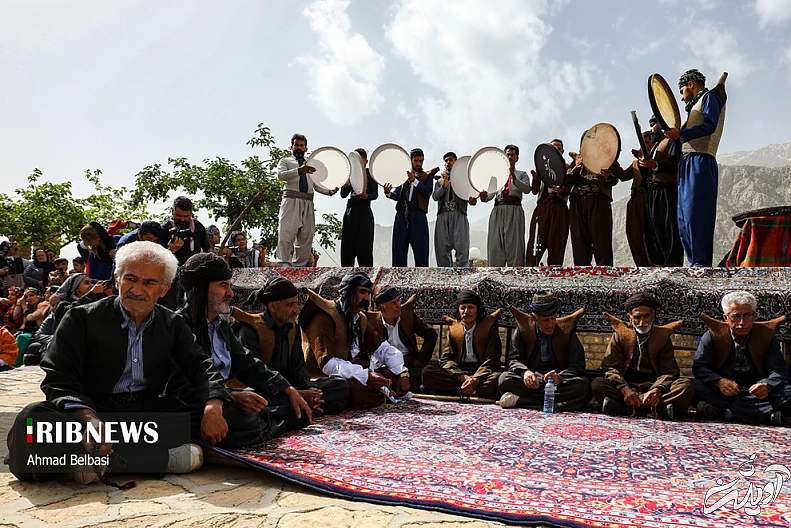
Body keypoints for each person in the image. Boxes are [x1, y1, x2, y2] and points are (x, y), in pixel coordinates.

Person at [5, 241, 233, 483]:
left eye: (149, 283)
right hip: (90, 411)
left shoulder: (172, 324)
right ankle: (158, 460)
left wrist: (213, 405)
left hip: (145, 417)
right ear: (117, 279)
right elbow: (59, 377)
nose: (137, 289)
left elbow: (200, 365)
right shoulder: (81, 318)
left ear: (164, 289)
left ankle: (88, 463)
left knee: (235, 417)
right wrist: (89, 419)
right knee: (32, 421)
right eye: (130, 279)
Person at [175, 253, 313, 442]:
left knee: (298, 399)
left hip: (225, 398)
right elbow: (182, 387)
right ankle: (270, 424)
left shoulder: (221, 325)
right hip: (200, 403)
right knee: (243, 418)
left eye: (230, 286)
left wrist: (288, 389)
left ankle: (270, 421)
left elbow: (248, 363)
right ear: (197, 288)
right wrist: (232, 398)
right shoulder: (178, 326)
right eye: (223, 286)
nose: (230, 293)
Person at [235, 276, 349, 416]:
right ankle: (301, 406)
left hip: (291, 388)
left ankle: (303, 405)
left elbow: (298, 367)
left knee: (340, 385)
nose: (296, 310)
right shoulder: (251, 329)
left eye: (297, 304)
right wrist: (294, 393)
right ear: (273, 306)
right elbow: (253, 375)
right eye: (290, 305)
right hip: (265, 391)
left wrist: (310, 389)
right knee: (258, 401)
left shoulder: (292, 328)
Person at [300, 271, 409, 409]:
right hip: (326, 377)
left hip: (357, 372)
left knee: (390, 375)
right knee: (347, 388)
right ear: (349, 292)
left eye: (368, 293)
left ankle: (381, 393)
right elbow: (328, 364)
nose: (366, 298)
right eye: (362, 292)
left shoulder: (360, 318)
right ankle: (380, 394)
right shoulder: (324, 317)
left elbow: (382, 348)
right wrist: (366, 377)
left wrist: (402, 373)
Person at [693, 291, 791, 425]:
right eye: (735, 316)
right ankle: (762, 415)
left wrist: (767, 385)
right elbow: (700, 367)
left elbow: (779, 370)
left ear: (754, 316)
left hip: (756, 392)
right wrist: (719, 381)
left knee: (787, 391)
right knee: (695, 386)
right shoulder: (712, 336)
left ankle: (726, 413)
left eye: (747, 315)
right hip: (725, 392)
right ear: (726, 318)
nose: (742, 322)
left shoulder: (766, 337)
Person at [591, 293, 694, 420]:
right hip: (627, 386)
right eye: (637, 317)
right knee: (597, 384)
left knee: (685, 385)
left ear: (654, 316)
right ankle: (656, 408)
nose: (642, 322)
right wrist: (625, 389)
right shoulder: (620, 336)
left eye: (646, 316)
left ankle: (627, 408)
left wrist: (657, 390)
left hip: (653, 386)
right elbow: (610, 368)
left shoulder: (662, 337)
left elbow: (670, 372)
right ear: (629, 317)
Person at [664, 69, 726, 267]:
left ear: (690, 84)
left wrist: (681, 134)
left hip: (701, 161)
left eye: (682, 91)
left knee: (697, 215)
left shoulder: (710, 98)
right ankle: (694, 263)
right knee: (684, 218)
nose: (682, 97)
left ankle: (702, 264)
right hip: (686, 162)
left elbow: (710, 125)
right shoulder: (693, 107)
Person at [498, 292, 591, 411]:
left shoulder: (565, 332)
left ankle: (520, 401)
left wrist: (560, 377)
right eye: (546, 320)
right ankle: (555, 404)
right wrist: (525, 372)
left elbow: (577, 365)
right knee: (504, 379)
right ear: (534, 319)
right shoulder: (523, 331)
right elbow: (513, 360)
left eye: (553, 318)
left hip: (556, 383)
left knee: (584, 387)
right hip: (532, 382)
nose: (550, 324)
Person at [421, 290, 502, 399]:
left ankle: (459, 390)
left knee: (498, 379)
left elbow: (492, 359)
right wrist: (461, 376)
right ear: (459, 311)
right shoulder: (454, 330)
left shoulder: (489, 329)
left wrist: (476, 379)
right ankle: (469, 390)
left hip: (482, 374)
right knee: (428, 372)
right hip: (459, 372)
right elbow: (446, 359)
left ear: (478, 310)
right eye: (463, 308)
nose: (466, 311)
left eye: (470, 307)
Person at [276, 134, 338, 267]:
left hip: (308, 202)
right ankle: (284, 265)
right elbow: (281, 176)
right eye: (296, 145)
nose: (298, 148)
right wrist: (300, 170)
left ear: (305, 148)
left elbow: (315, 184)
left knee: (306, 236)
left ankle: (300, 266)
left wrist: (329, 191)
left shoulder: (311, 164)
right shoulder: (285, 161)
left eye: (301, 145)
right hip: (291, 200)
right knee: (286, 233)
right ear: (291, 147)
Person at [22, 274, 107, 366]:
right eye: (86, 283)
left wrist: (109, 294)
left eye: (91, 283)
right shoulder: (63, 305)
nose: (91, 285)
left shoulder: (95, 302)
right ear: (76, 288)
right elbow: (73, 311)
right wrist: (91, 293)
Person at [366, 285, 438, 391]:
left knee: (428, 373)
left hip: (410, 366)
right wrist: (384, 367)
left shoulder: (407, 316)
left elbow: (431, 334)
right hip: (387, 368)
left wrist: (420, 360)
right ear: (382, 308)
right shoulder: (372, 323)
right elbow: (370, 354)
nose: (398, 305)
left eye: (398, 301)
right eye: (393, 303)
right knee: (378, 377)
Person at [640, 121, 684, 267]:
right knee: (652, 231)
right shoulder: (655, 146)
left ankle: (672, 266)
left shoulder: (671, 142)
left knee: (668, 230)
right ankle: (656, 265)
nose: (651, 130)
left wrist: (656, 165)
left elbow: (677, 164)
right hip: (653, 192)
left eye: (654, 127)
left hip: (667, 190)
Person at [565, 148, 619, 266]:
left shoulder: (606, 159)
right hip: (577, 203)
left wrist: (608, 176)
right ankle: (582, 273)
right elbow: (566, 181)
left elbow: (615, 179)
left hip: (599, 202)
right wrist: (577, 167)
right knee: (579, 241)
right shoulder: (575, 162)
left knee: (601, 240)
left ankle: (605, 273)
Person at [480, 145, 530, 267]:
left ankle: (515, 275)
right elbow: (490, 195)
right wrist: (483, 196)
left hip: (514, 210)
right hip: (498, 210)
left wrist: (514, 178)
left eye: (512, 155)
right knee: (495, 245)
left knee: (515, 246)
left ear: (517, 158)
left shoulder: (522, 174)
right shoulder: (496, 176)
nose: (510, 157)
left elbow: (527, 189)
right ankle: (495, 275)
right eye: (507, 155)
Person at [385, 148, 436, 267]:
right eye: (416, 161)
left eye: (421, 161)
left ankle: (422, 278)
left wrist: (415, 181)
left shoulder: (427, 176)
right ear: (411, 160)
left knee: (421, 251)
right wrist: (388, 193)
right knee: (399, 250)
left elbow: (427, 192)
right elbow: (397, 194)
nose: (418, 163)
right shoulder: (403, 176)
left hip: (418, 215)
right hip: (402, 214)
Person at [526, 139, 571, 266]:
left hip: (559, 206)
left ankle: (554, 273)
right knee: (535, 242)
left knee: (557, 243)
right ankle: (531, 271)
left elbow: (570, 189)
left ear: (562, 151)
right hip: (543, 206)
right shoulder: (543, 166)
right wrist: (536, 179)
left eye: (558, 148)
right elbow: (535, 191)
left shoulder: (568, 168)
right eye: (552, 148)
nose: (555, 150)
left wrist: (562, 190)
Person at [433, 152, 480, 267]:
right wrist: (444, 187)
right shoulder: (439, 181)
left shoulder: (464, 180)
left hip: (459, 214)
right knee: (442, 250)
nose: (448, 162)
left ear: (456, 162)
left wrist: (472, 200)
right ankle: (445, 275)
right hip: (443, 216)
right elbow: (435, 197)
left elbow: (471, 199)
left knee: (462, 248)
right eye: (446, 161)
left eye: (451, 160)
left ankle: (463, 275)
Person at [615, 131, 655, 267]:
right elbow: (623, 176)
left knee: (649, 234)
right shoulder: (635, 164)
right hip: (635, 201)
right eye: (642, 142)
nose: (644, 145)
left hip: (649, 201)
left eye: (647, 142)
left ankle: (653, 264)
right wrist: (612, 160)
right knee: (634, 234)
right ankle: (641, 266)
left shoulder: (656, 162)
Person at [340, 148, 378, 267]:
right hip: (350, 212)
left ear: (365, 161)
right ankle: (347, 274)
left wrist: (366, 196)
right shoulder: (350, 175)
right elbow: (343, 194)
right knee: (347, 247)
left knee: (364, 247)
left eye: (360, 160)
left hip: (364, 212)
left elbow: (375, 194)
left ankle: (365, 275)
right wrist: (346, 184)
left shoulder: (370, 174)